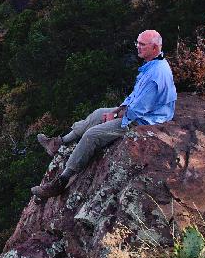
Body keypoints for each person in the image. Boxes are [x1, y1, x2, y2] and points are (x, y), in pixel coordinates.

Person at [33, 29, 175, 197]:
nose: (138, 47)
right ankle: (58, 143)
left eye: (142, 44)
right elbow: (135, 96)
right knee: (99, 113)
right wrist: (117, 109)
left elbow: (138, 111)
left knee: (92, 135)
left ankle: (61, 181)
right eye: (137, 43)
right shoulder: (153, 64)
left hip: (145, 120)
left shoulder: (156, 74)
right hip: (139, 112)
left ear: (154, 47)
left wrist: (115, 116)